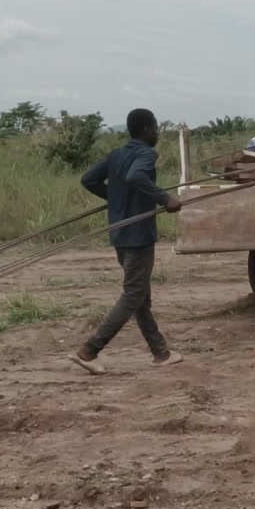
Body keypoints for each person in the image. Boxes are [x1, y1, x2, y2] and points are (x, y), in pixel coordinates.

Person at [70, 108, 184, 374]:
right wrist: (165, 199)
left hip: (120, 234)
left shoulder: (116, 154)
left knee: (140, 296)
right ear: (146, 129)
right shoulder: (146, 153)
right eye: (155, 127)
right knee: (134, 294)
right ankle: (90, 350)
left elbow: (89, 180)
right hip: (138, 235)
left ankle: (161, 352)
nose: (157, 132)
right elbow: (135, 177)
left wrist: (115, 197)